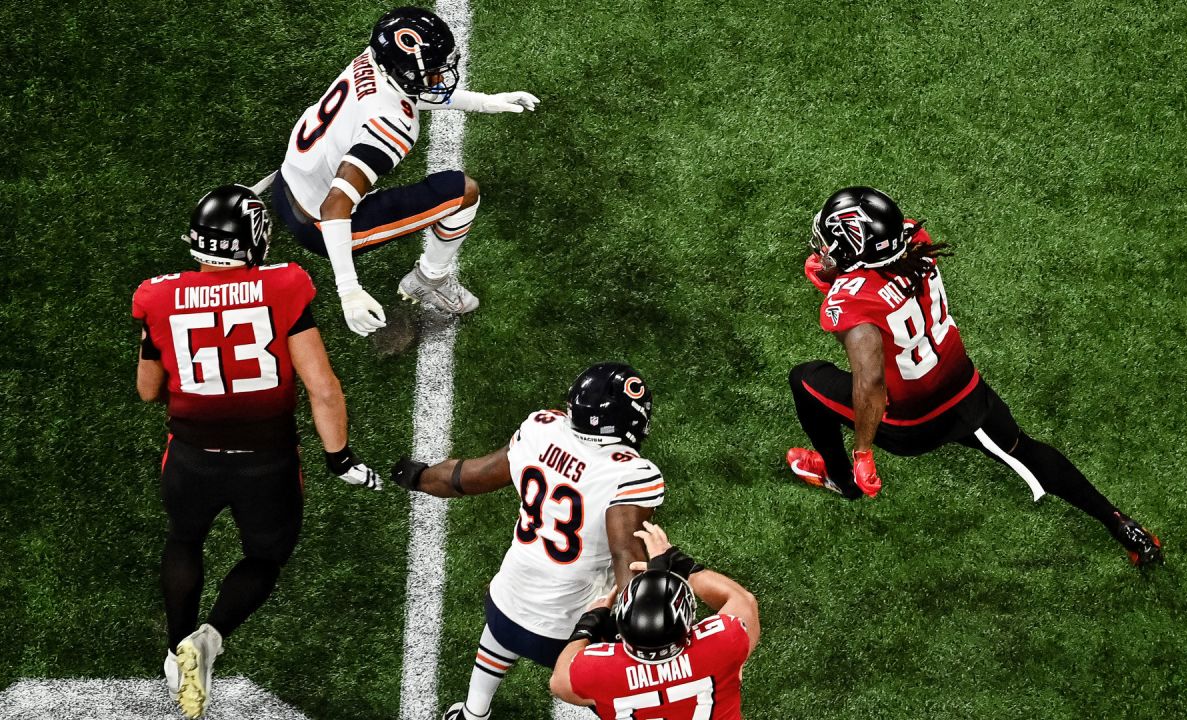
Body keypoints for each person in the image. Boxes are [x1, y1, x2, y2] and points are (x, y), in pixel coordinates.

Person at [786, 186, 1164, 567]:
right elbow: (881, 278)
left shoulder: (849, 302)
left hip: (909, 423)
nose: (825, 251)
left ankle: (841, 479)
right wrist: (840, 274)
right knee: (1024, 450)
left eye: (833, 244)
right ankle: (1122, 524)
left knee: (804, 380)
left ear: (854, 249)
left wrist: (863, 451)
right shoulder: (916, 240)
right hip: (967, 394)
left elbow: (870, 383)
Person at [132, 185, 382, 719]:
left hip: (190, 458)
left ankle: (179, 650)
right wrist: (339, 457)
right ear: (253, 240)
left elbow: (148, 390)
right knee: (265, 556)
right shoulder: (283, 285)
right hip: (266, 461)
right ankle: (211, 636)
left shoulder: (155, 295)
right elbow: (323, 388)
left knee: (184, 540)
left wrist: (157, 338)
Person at [391, 363, 664, 720]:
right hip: (570, 635)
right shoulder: (631, 474)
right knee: (626, 695)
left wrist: (418, 476)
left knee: (507, 618)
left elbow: (469, 476)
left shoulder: (541, 429)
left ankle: (472, 713)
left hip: (504, 610)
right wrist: (643, 639)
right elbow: (625, 554)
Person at [271, 6, 539, 336]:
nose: (439, 77)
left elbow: (405, 94)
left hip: (286, 182)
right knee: (464, 192)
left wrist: (483, 101)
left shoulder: (371, 61)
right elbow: (335, 206)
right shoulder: (394, 126)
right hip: (318, 222)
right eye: (432, 70)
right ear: (401, 69)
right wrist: (349, 290)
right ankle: (430, 280)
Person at [549, 521, 760, 720]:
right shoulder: (724, 643)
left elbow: (560, 683)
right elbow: (743, 601)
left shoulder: (598, 670)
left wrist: (587, 625)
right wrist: (682, 564)